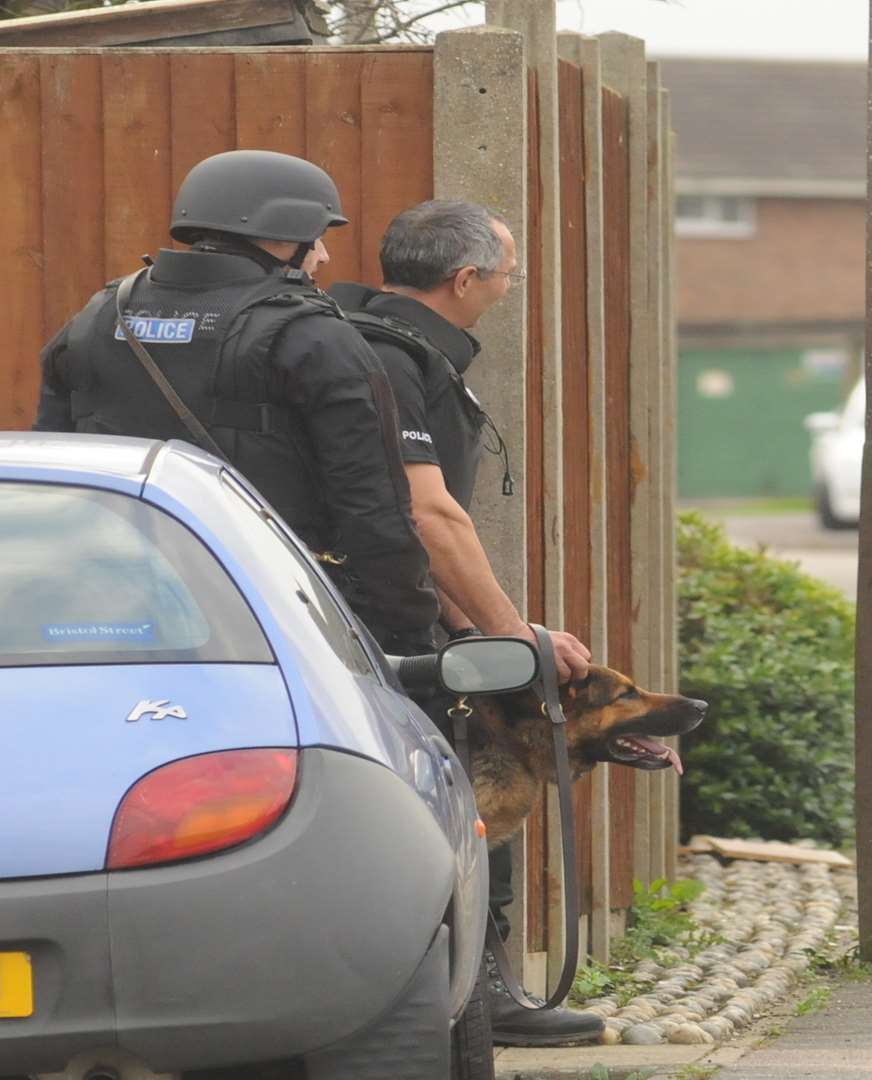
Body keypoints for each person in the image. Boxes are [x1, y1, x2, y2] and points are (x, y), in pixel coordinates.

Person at [331, 199, 601, 1048]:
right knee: (468, 786)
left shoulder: (362, 336)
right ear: (465, 278)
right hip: (376, 620)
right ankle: (482, 990)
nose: (509, 285)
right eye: (507, 273)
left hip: (369, 602)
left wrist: (492, 630)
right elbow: (429, 516)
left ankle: (485, 985)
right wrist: (516, 640)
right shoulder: (400, 360)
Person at [33, 149, 437, 655]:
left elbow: (55, 474)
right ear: (283, 235)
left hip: (102, 616)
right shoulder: (312, 336)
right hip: (266, 623)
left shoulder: (93, 321)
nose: (324, 256)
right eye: (318, 238)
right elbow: (373, 508)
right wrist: (413, 634)